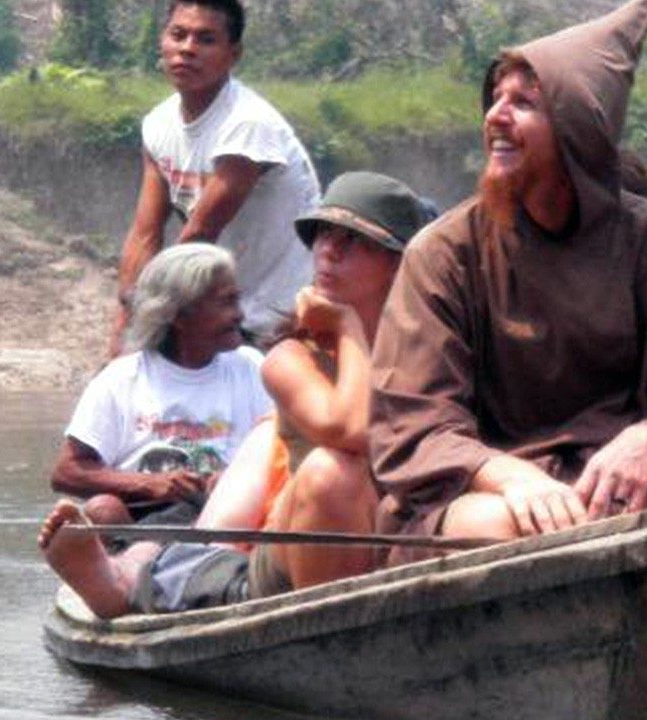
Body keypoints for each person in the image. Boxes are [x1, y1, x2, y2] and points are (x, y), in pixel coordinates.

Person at [367, 0, 647, 567]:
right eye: (496, 99)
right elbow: (414, 428)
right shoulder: (444, 254)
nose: (496, 116)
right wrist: (508, 476)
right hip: (488, 493)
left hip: (623, 490)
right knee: (493, 527)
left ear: (576, 131)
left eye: (524, 103)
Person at [41, 172, 434, 619]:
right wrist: (346, 328)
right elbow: (349, 429)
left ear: (399, 264)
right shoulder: (287, 358)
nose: (328, 250)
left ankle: (131, 578)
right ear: (181, 317)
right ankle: (119, 583)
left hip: (369, 523)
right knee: (328, 475)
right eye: (324, 235)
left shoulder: (429, 353)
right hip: (297, 535)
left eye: (352, 240)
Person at [111, 0, 320, 354]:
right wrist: (122, 331)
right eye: (178, 35)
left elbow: (199, 233)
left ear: (233, 54)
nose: (187, 48)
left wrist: (151, 325)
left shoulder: (247, 123)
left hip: (285, 316)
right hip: (223, 314)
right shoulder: (159, 126)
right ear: (163, 41)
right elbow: (145, 235)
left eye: (206, 39)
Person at [51, 243, 275, 529]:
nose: (239, 315)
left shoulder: (251, 368)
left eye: (237, 300)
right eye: (226, 302)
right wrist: (148, 484)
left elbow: (287, 451)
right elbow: (67, 472)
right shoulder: (121, 379)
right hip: (144, 522)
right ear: (179, 315)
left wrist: (237, 479)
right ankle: (125, 564)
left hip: (228, 517)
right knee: (101, 509)